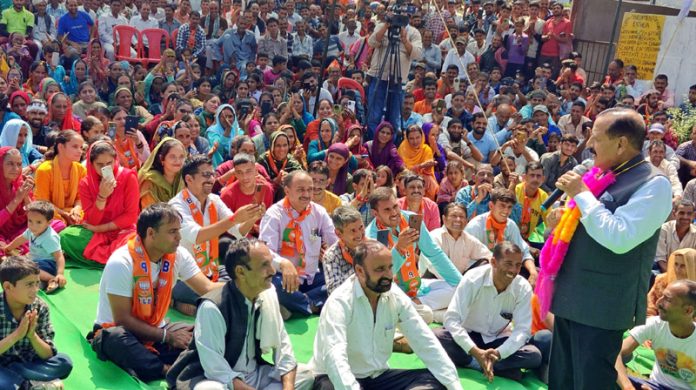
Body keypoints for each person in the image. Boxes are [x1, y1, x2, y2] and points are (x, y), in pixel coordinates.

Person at [544, 108, 673, 388]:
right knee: (562, 382)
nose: (589, 145)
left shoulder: (654, 184)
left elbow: (620, 237)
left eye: (597, 138)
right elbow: (585, 223)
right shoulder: (599, 174)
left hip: (602, 307)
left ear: (621, 143)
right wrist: (560, 218)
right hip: (570, 299)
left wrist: (581, 194)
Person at [88, 203, 223, 381]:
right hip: (121, 331)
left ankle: (149, 363)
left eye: (178, 230)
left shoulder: (178, 255)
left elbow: (207, 289)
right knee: (114, 339)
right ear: (151, 233)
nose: (179, 237)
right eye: (172, 231)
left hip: (157, 329)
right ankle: (166, 369)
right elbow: (122, 320)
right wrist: (168, 337)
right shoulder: (121, 262)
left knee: (203, 333)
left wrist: (243, 285)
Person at [310, 239, 464, 390]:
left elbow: (424, 340)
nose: (389, 275)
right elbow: (335, 358)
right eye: (380, 269)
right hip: (333, 377)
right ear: (359, 271)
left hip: (377, 376)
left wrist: (455, 387)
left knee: (436, 379)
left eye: (390, 268)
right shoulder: (340, 302)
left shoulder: (394, 294)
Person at [166, 238, 298, 389]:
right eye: (264, 265)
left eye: (271, 263)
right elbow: (215, 369)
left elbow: (284, 349)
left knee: (303, 375)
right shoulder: (212, 307)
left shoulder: (267, 296)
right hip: (216, 379)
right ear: (241, 272)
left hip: (254, 375)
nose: (273, 271)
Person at [434, 242, 543, 382]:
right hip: (468, 337)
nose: (514, 270)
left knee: (533, 355)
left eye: (518, 265)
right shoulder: (473, 279)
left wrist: (499, 353)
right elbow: (451, 320)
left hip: (497, 342)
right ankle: (482, 364)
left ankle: (480, 363)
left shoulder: (523, 288)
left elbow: (522, 330)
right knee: (437, 336)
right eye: (508, 263)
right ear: (493, 262)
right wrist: (474, 351)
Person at [169, 155, 264, 314]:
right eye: (205, 175)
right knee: (230, 297)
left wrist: (253, 216)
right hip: (185, 277)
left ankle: (195, 304)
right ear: (189, 179)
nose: (211, 179)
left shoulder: (214, 200)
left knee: (246, 278)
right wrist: (235, 218)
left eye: (212, 174)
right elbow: (197, 236)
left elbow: (239, 231)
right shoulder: (176, 206)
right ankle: (175, 301)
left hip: (212, 270)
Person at [365, 187, 461, 320]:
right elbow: (382, 276)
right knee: (426, 314)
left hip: (416, 284)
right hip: (392, 292)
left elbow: (434, 253)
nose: (394, 213)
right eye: (387, 210)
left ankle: (421, 308)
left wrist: (461, 283)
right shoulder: (372, 236)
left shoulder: (411, 220)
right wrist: (399, 248)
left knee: (460, 288)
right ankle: (427, 311)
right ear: (375, 213)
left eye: (395, 207)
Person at [259, 170, 338, 317]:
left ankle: (300, 305)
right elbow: (265, 251)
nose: (307, 194)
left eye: (310, 189)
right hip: (284, 277)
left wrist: (330, 254)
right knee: (271, 286)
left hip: (312, 276)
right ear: (287, 190)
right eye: (301, 190)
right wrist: (283, 263)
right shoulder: (274, 214)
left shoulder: (319, 212)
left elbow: (335, 240)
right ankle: (312, 304)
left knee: (340, 280)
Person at [59, 140, 139, 267]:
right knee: (65, 236)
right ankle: (115, 263)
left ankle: (108, 261)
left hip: (123, 230)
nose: (105, 168)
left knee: (133, 245)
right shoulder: (86, 183)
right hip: (95, 233)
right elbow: (93, 221)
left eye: (109, 163)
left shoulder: (128, 177)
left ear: (115, 160)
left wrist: (100, 228)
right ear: (91, 164)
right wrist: (102, 197)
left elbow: (131, 216)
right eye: (100, 164)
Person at [0, 256, 73, 389]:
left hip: (29, 363)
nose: (36, 289)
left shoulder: (40, 307)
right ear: (8, 287)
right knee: (4, 384)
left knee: (64, 362)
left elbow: (48, 354)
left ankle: (22, 382)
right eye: (29, 284)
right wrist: (17, 335)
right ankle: (29, 383)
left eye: (37, 283)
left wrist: (32, 336)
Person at [615, 280, 696, 390]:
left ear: (688, 310)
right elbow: (615, 353)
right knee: (605, 375)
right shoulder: (656, 324)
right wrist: (628, 387)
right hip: (653, 386)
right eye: (662, 296)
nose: (659, 302)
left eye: (668, 299)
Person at [464, 188, 538, 285]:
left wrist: (533, 273)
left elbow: (523, 251)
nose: (506, 211)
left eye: (509, 207)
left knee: (535, 274)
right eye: (502, 206)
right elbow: (466, 258)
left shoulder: (511, 225)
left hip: (503, 269)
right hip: (478, 271)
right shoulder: (476, 225)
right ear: (491, 206)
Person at [365, 16, 423, 137]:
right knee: (374, 115)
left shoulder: (413, 32)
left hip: (398, 79)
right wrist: (386, 26)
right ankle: (372, 143)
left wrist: (405, 39)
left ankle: (390, 147)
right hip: (378, 76)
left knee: (394, 116)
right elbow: (371, 42)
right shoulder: (383, 26)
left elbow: (417, 54)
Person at [0, 201, 66, 293]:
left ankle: (52, 279)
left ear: (49, 222)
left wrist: (60, 274)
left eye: (38, 222)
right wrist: (8, 248)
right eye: (30, 221)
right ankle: (38, 282)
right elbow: (21, 239)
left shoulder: (50, 237)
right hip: (33, 259)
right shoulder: (31, 230)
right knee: (17, 265)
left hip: (48, 264)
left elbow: (59, 257)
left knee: (28, 268)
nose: (33, 225)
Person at [34, 130, 86, 226]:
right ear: (61, 147)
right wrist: (65, 214)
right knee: (56, 222)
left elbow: (80, 198)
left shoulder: (81, 169)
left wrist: (77, 209)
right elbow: (43, 202)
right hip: (51, 213)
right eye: (75, 147)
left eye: (81, 147)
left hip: (72, 212)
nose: (80, 151)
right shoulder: (45, 170)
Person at [322, 206, 365, 295]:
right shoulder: (331, 256)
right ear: (339, 234)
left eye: (361, 227)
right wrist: (361, 266)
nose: (359, 234)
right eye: (353, 230)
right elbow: (333, 291)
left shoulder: (374, 246)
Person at [138, 138, 186, 209]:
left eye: (181, 156)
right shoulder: (150, 181)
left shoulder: (185, 177)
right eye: (172, 157)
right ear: (161, 159)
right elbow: (149, 213)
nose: (178, 161)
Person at [648, 248, 696, 317]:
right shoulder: (662, 280)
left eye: (683, 266)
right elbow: (650, 307)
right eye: (676, 264)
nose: (677, 269)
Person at [654, 200, 696, 273]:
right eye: (681, 213)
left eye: (689, 214)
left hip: (688, 272)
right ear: (674, 213)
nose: (685, 217)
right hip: (664, 270)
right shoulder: (664, 230)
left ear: (693, 215)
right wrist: (673, 277)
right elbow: (661, 260)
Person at [514, 162, 549, 241]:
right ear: (524, 177)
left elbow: (549, 221)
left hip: (527, 239)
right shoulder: (516, 190)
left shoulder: (544, 196)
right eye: (532, 175)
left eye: (538, 176)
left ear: (543, 179)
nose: (535, 179)